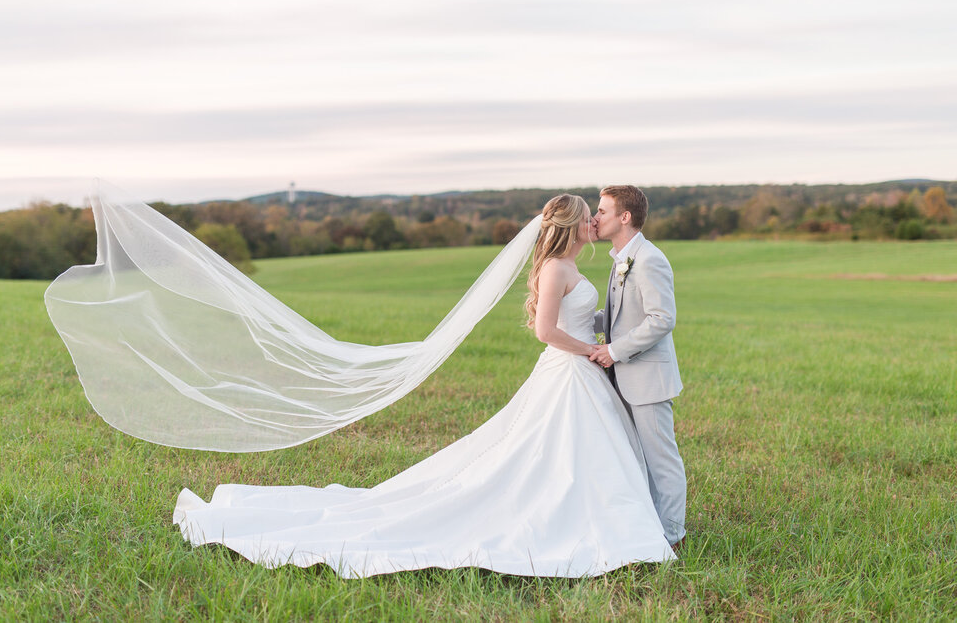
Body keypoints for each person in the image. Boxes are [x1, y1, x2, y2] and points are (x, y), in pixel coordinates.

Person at [172, 194, 675, 577]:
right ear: (573, 225)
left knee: (580, 453)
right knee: (542, 454)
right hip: (570, 369)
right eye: (591, 215)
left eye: (601, 215)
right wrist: (588, 349)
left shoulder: (576, 267)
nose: (596, 223)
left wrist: (601, 343)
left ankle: (619, 517)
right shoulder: (556, 269)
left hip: (582, 371)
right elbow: (545, 332)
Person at [589, 185, 686, 549]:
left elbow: (662, 319)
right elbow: (619, 316)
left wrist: (614, 351)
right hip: (624, 377)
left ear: (624, 217)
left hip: (647, 378)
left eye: (602, 211)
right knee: (634, 458)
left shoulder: (649, 258)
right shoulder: (621, 258)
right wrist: (576, 320)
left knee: (661, 460)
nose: (595, 218)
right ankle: (647, 527)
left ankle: (673, 536)